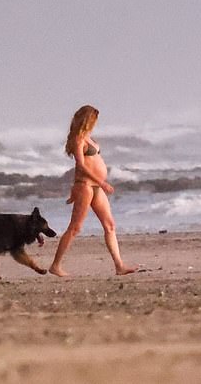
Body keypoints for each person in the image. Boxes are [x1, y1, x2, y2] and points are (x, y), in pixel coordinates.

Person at [49, 105, 137, 277]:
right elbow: (80, 165)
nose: (96, 123)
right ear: (87, 120)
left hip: (95, 187)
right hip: (86, 186)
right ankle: (55, 265)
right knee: (75, 228)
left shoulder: (89, 138)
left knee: (110, 225)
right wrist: (99, 183)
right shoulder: (78, 140)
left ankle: (119, 265)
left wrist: (100, 184)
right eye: (94, 120)